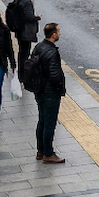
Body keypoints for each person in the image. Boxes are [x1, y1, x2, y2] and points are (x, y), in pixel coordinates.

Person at [31, 23, 66, 164]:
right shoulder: (52, 52)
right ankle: (48, 153)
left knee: (42, 121)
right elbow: (54, 75)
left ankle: (40, 150)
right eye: (58, 31)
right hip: (50, 93)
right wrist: (59, 87)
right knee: (49, 124)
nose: (60, 33)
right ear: (53, 34)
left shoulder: (38, 47)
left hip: (39, 90)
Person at [10, 0, 40, 81]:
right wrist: (37, 17)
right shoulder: (26, 1)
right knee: (25, 53)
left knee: (21, 51)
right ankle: (23, 74)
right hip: (25, 31)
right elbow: (29, 17)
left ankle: (21, 73)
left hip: (19, 29)